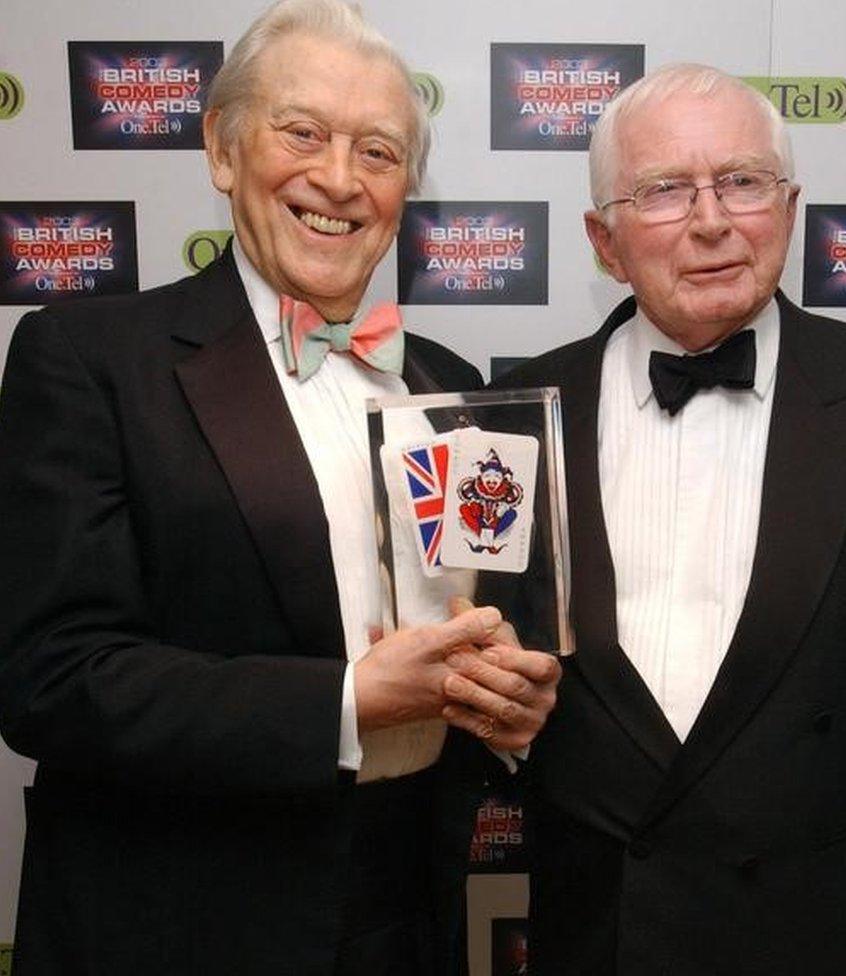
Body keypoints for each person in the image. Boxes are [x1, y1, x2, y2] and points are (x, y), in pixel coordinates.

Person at [0, 2, 559, 974]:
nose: (338, 178)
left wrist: (503, 706)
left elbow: (475, 634)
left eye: (378, 151)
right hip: (178, 922)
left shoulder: (444, 384)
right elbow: (51, 677)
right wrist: (346, 700)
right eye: (301, 133)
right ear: (221, 147)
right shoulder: (88, 356)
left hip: (403, 913)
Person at [495, 63, 846, 975]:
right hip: (599, 932)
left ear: (789, 208)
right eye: (665, 190)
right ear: (604, 240)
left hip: (819, 928)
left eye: (743, 181)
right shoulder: (520, 407)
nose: (712, 219)